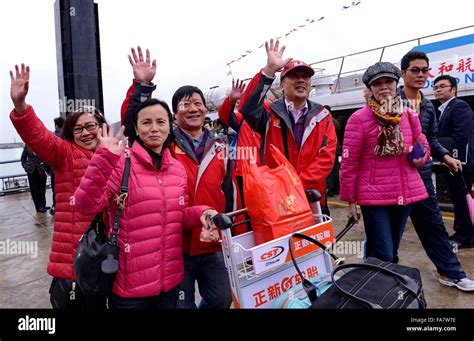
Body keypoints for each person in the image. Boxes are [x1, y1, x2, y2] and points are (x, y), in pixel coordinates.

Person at [121, 47, 244, 309]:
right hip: (176, 246)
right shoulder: (162, 145)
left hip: (213, 241)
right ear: (174, 114)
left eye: (197, 103)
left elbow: (231, 194)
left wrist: (236, 235)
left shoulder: (221, 147)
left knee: (222, 298)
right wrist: (142, 86)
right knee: (180, 305)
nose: (193, 109)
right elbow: (132, 122)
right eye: (185, 104)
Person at [74, 98, 217, 309]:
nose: (154, 129)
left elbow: (179, 216)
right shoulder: (120, 163)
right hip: (129, 288)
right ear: (136, 128)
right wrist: (103, 159)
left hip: (169, 283)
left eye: (161, 122)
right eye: (146, 122)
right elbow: (84, 205)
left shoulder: (177, 170)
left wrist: (202, 213)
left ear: (170, 126)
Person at [9, 63, 108, 310]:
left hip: (110, 253)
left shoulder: (116, 155)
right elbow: (38, 136)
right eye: (78, 128)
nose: (85, 133)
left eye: (90, 126)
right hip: (74, 256)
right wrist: (21, 106)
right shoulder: (64, 153)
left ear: (102, 127)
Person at [398, 50, 474, 291]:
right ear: (403, 73)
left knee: (435, 227)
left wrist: (444, 156)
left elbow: (430, 139)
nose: (421, 75)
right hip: (394, 181)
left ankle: (451, 273)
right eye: (415, 70)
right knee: (387, 236)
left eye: (424, 70)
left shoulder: (429, 107)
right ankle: (381, 278)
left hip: (421, 179)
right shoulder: (390, 102)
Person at [340, 62, 430, 263]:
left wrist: (419, 156)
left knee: (393, 251)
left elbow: (421, 142)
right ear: (370, 89)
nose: (383, 87)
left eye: (388, 81)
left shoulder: (408, 114)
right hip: (373, 196)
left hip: (404, 191)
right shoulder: (359, 119)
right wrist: (350, 202)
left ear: (396, 84)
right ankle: (375, 290)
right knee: (382, 253)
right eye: (377, 83)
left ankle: (388, 290)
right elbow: (349, 164)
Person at [239, 39, 337, 206]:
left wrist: (296, 185)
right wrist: (268, 72)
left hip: (312, 198)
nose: (301, 80)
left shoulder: (323, 116)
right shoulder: (269, 113)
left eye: (305, 77)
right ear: (282, 85)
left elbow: (326, 158)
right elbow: (246, 108)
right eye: (294, 76)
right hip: (276, 199)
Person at [434, 74, 474, 248]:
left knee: (461, 199)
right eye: (436, 87)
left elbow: (461, 136)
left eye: (442, 86)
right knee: (458, 199)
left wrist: (453, 159)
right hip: (452, 162)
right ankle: (461, 232)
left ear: (453, 89)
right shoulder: (444, 109)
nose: (438, 90)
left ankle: (465, 237)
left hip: (459, 163)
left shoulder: (459, 106)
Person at [21, 145, 49, 213]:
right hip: (31, 170)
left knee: (42, 189)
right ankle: (38, 207)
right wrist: (25, 167)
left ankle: (43, 205)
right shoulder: (27, 146)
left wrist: (47, 168)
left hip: (41, 169)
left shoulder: (41, 145)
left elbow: (47, 157)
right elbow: (23, 158)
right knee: (34, 190)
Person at [48, 116, 65, 215]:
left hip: (54, 168)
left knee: (55, 190)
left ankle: (56, 208)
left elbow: (47, 154)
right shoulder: (68, 137)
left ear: (56, 125)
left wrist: (47, 168)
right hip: (67, 168)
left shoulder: (52, 137)